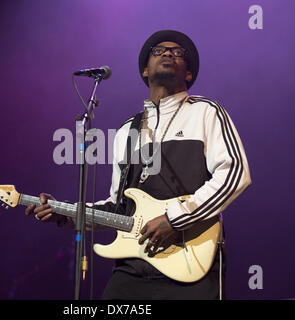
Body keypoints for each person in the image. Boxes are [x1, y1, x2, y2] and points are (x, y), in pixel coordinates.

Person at [25, 30, 252, 300]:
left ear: (188, 75)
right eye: (159, 51)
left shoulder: (205, 112)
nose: (168, 53)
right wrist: (65, 213)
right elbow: (117, 206)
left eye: (177, 52)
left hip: (192, 264)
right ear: (146, 71)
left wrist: (174, 220)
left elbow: (235, 173)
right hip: (133, 269)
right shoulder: (126, 131)